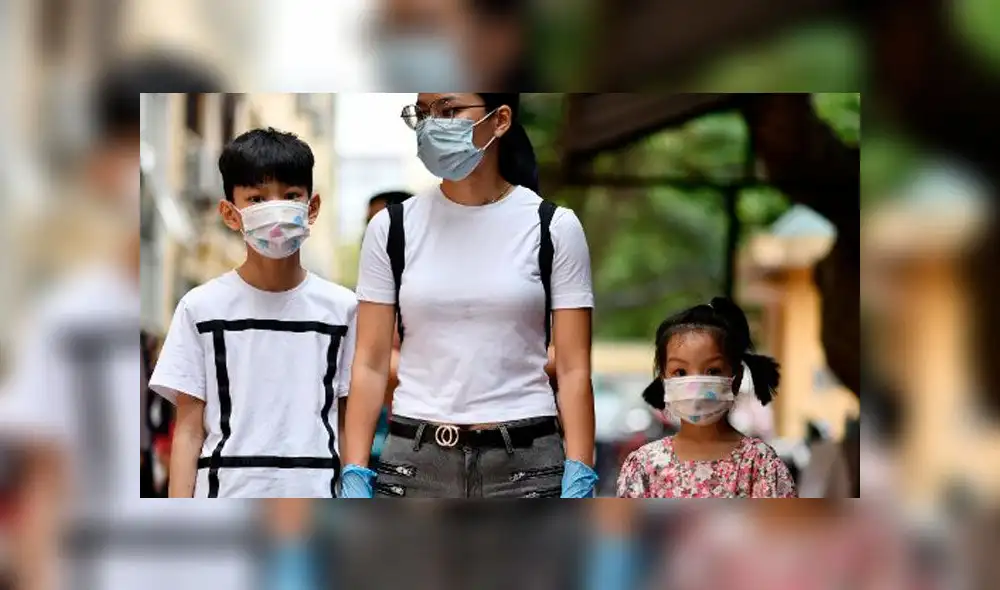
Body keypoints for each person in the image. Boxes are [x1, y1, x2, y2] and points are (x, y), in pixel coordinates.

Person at [341, 93, 597, 498]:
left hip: (525, 465)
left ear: (500, 120)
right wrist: (354, 469)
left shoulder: (554, 227)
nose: (433, 124)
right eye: (424, 113)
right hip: (415, 463)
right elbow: (369, 364)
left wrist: (580, 469)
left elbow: (573, 368)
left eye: (450, 110)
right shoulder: (392, 228)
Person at [149, 127, 358, 498]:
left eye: (290, 196)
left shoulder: (342, 310)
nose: (275, 210)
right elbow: (188, 430)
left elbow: (347, 423)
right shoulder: (200, 308)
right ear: (230, 214)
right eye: (257, 199)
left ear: (312, 208)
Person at [616, 297, 796, 498]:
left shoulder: (761, 465)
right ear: (664, 381)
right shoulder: (644, 467)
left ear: (735, 380)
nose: (695, 384)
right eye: (681, 372)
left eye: (712, 370)